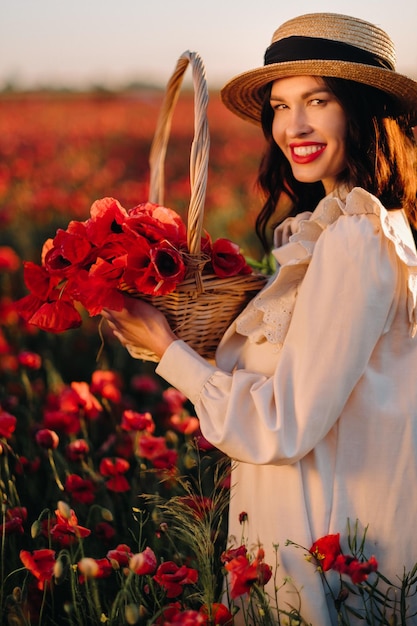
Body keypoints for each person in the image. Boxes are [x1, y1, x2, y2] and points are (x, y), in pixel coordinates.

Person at [102, 13, 417, 625]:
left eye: (317, 101)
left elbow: (284, 425)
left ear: (361, 110)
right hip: (336, 527)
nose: (292, 126)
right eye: (279, 105)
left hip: (327, 540)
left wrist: (169, 350)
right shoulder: (345, 230)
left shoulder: (354, 238)